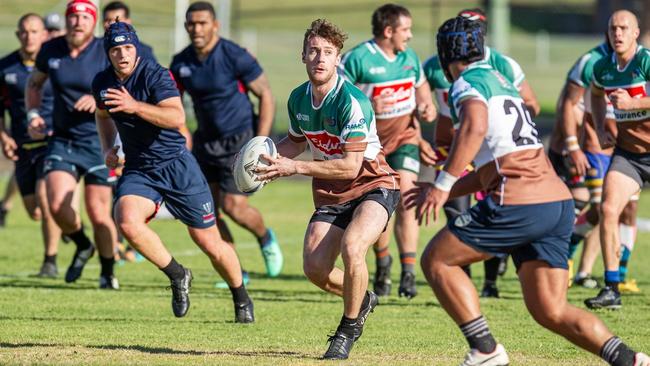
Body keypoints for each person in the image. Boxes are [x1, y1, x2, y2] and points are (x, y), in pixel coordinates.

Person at [408, 16, 649, 366]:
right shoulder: (501, 81)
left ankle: (485, 350)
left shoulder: (465, 83)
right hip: (555, 202)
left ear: (446, 54)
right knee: (549, 310)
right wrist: (443, 189)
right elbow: (492, 169)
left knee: (436, 259)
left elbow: (474, 127)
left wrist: (442, 184)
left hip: (518, 200)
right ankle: (630, 359)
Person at [255, 19, 399, 360]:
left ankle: (347, 329)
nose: (320, 58)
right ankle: (362, 299)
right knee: (315, 268)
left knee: (353, 247)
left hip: (372, 184)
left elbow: (351, 165)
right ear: (303, 56)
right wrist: (264, 159)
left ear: (338, 59)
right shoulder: (297, 99)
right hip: (332, 193)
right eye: (314, 51)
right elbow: (293, 142)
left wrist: (295, 167)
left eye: (328, 52)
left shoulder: (351, 101)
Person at [92, 20, 254, 322]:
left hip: (177, 165)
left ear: (136, 47)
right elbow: (102, 114)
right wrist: (107, 147)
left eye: (128, 47)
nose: (123, 54)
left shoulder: (155, 75)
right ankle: (178, 274)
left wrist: (134, 106)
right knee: (126, 222)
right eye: (116, 49)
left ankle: (240, 296)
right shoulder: (102, 82)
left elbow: (176, 116)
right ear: (108, 53)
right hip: (140, 168)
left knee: (208, 241)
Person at [422, 7, 540, 298]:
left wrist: (497, 127)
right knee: (549, 309)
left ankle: (488, 288)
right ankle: (467, 282)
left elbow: (479, 127)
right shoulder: (436, 67)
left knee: (441, 254)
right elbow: (423, 101)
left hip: (497, 160)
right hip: (465, 155)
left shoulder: (490, 70)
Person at [170, 1, 282, 280]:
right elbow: (172, 103)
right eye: (192, 23)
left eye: (202, 23)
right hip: (205, 145)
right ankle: (237, 271)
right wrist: (181, 130)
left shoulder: (234, 55)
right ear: (186, 26)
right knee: (207, 212)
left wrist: (262, 141)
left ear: (215, 25)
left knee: (235, 209)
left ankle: (265, 237)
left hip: (240, 143)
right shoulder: (181, 62)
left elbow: (266, 94)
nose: (197, 28)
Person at [339, 3, 436, 298]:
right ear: (388, 30)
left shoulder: (409, 58)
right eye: (405, 29)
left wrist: (427, 106)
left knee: (407, 196)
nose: (409, 35)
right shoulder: (359, 59)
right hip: (371, 146)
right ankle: (384, 263)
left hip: (406, 139)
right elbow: (337, 96)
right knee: (380, 209)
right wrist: (368, 104)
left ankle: (408, 272)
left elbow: (422, 89)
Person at [26, 0, 119, 288]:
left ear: (93, 22)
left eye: (84, 17)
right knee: (56, 204)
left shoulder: (105, 50)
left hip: (99, 140)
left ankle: (107, 272)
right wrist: (33, 115)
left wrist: (98, 98)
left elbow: (125, 84)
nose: (78, 22)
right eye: (73, 17)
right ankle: (82, 244)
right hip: (62, 139)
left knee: (98, 212)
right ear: (66, 21)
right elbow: (34, 84)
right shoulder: (51, 50)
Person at [586, 10, 650, 309]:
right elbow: (595, 96)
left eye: (624, 28)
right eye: (613, 28)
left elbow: (631, 101)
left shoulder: (645, 61)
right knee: (608, 209)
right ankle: (612, 288)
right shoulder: (601, 68)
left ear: (636, 33)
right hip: (630, 155)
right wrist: (600, 127)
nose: (618, 34)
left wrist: (634, 102)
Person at [0, 13, 61, 276]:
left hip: (52, 143)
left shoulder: (56, 64)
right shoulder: (5, 68)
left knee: (47, 201)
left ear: (44, 34)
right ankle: (72, 228)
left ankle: (50, 261)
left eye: (34, 31)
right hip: (22, 148)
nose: (29, 36)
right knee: (35, 212)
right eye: (24, 31)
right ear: (17, 34)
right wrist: (4, 136)